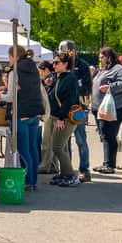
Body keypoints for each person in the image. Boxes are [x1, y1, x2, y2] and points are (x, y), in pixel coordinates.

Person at [0, 46, 44, 191]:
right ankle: (33, 180)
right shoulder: (34, 68)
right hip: (34, 112)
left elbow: (12, 97)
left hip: (20, 113)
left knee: (23, 150)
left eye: (9, 56)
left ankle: (28, 181)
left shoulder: (14, 71)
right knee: (33, 149)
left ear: (13, 56)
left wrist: (0, 96)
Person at [90, 46, 122, 173]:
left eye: (101, 57)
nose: (100, 59)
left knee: (109, 136)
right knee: (105, 136)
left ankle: (109, 165)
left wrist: (110, 87)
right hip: (101, 109)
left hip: (114, 109)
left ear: (109, 57)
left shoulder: (118, 69)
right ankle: (107, 163)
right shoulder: (103, 70)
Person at [48, 52, 83, 186]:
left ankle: (71, 175)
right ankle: (65, 173)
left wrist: (61, 118)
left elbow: (68, 100)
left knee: (57, 147)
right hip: (63, 117)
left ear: (65, 64)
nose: (53, 65)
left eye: (57, 63)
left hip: (67, 118)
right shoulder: (61, 77)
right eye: (53, 62)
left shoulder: (69, 78)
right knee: (60, 147)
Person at [59, 40, 91, 178]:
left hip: (78, 108)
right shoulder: (60, 64)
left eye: (67, 51)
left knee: (80, 140)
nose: (66, 54)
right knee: (64, 142)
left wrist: (73, 89)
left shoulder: (82, 65)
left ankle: (84, 170)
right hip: (63, 108)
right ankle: (67, 170)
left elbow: (87, 88)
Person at [36, 60, 57, 175]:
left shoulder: (50, 78)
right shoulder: (53, 77)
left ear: (45, 69)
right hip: (54, 113)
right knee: (52, 142)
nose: (39, 73)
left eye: (40, 71)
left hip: (51, 113)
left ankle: (44, 166)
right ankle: (53, 166)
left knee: (46, 142)